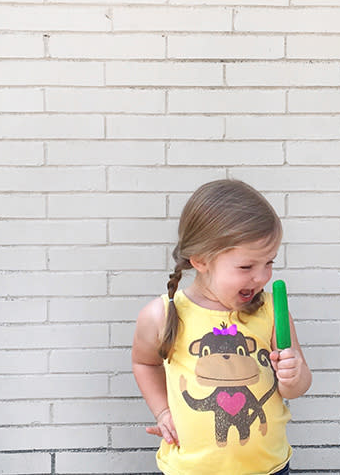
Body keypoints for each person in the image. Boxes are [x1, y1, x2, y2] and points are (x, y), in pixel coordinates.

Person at [132, 179, 312, 475]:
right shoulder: (162, 315)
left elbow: (295, 388)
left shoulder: (270, 311)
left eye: (269, 263)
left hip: (268, 467)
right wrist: (163, 410)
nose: (262, 277)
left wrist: (294, 376)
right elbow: (144, 362)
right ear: (201, 260)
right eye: (246, 267)